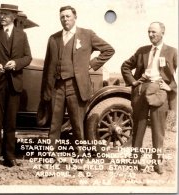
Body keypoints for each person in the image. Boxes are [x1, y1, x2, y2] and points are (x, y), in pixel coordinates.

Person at [39, 6, 115, 160]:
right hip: (57, 86)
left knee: (77, 122)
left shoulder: (87, 35)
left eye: (68, 16)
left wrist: (92, 64)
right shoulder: (53, 38)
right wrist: (46, 90)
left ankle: (81, 154)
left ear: (75, 17)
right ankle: (51, 153)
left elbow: (108, 50)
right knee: (54, 122)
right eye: (62, 17)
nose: (65, 19)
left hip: (76, 86)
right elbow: (48, 66)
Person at [0, 4, 32, 168]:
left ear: (14, 17)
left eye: (6, 14)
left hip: (14, 85)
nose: (2, 17)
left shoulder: (22, 35)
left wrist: (16, 63)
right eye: (1, 14)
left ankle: (9, 156)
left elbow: (28, 57)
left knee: (11, 122)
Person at [121, 22, 177, 174]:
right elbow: (125, 66)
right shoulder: (142, 51)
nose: (151, 34)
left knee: (158, 131)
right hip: (141, 91)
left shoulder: (172, 52)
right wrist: (133, 81)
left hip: (160, 92)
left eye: (154, 32)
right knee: (139, 128)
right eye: (149, 32)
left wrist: (170, 87)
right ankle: (135, 161)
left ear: (162, 32)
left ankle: (157, 163)